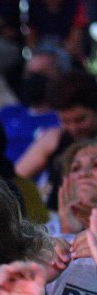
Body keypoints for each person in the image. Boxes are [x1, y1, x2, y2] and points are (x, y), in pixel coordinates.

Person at [17, 70, 97, 210]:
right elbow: (16, 178)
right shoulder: (53, 139)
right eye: (65, 121)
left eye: (80, 119)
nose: (73, 128)